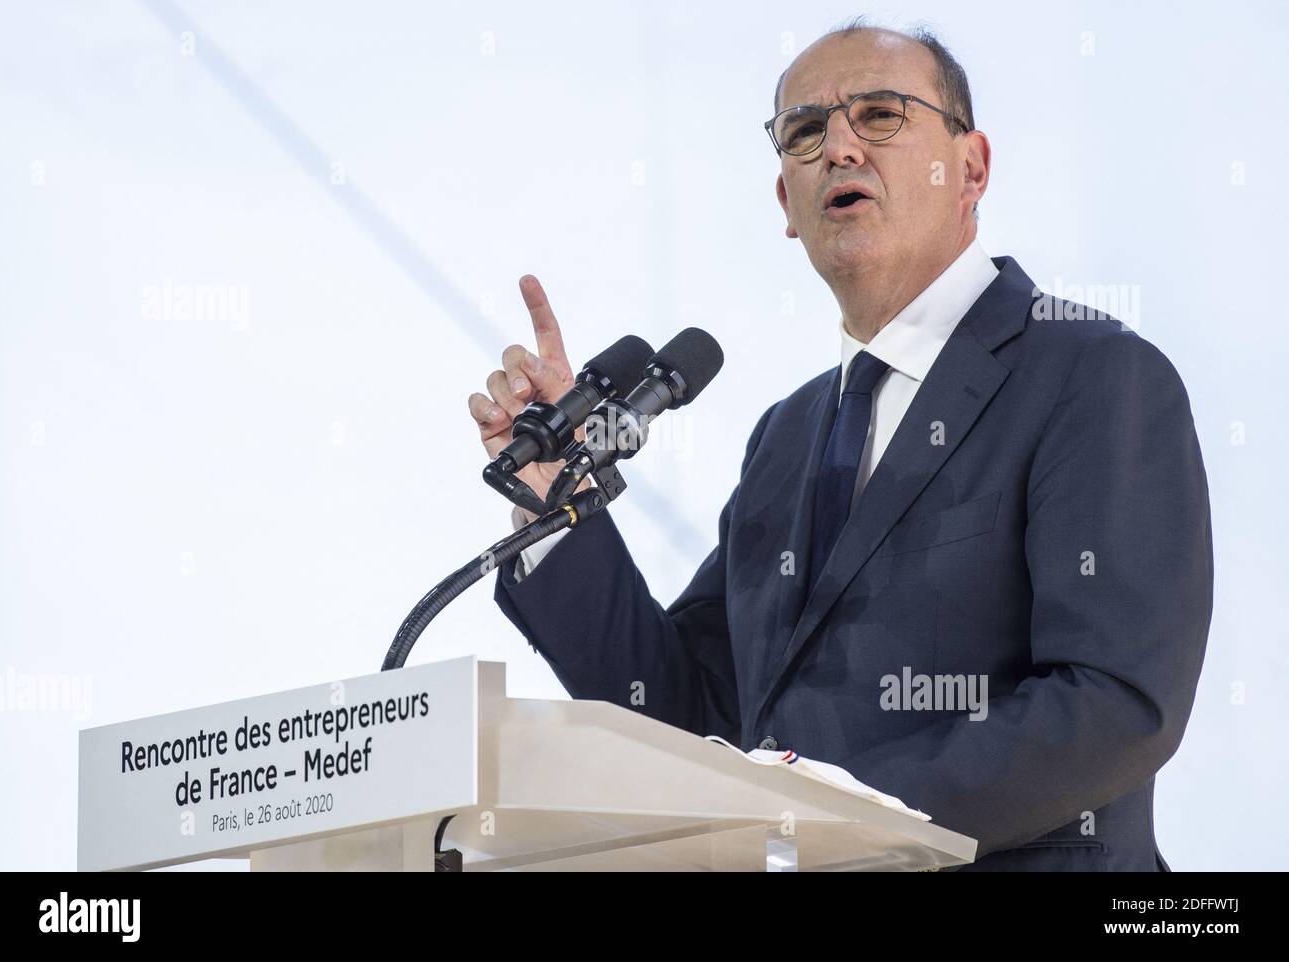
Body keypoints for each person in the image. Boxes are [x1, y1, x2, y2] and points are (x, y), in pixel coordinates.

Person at [465, 21, 1212, 871]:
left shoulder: (1093, 376)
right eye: (806, 132)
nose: (840, 148)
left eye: (881, 115)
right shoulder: (785, 437)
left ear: (971, 168)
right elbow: (684, 719)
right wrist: (555, 500)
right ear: (786, 202)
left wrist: (845, 821)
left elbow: (1116, 702)